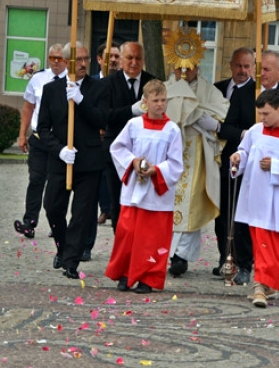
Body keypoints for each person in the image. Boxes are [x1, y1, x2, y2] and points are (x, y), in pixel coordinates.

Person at [229, 89, 279, 308]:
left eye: (266, 114)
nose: (262, 118)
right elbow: (244, 153)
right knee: (261, 242)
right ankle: (259, 286)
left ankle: (269, 285)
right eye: (260, 114)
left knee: (277, 246)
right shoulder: (255, 131)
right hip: (257, 197)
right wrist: (238, 158)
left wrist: (275, 165)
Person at [37, 43, 108, 280]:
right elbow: (43, 128)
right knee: (53, 207)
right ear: (66, 62)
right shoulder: (50, 90)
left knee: (82, 214)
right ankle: (63, 246)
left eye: (86, 59)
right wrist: (58, 150)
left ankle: (71, 261)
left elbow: (101, 120)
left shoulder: (98, 88)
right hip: (61, 160)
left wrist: (81, 100)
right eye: (78, 59)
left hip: (89, 161)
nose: (84, 64)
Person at [105, 79, 183, 293]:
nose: (160, 104)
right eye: (155, 100)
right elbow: (117, 148)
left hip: (157, 194)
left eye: (163, 100)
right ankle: (125, 274)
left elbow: (176, 163)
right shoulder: (134, 124)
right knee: (127, 234)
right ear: (145, 102)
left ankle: (148, 278)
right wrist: (134, 162)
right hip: (133, 191)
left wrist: (156, 170)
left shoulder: (172, 130)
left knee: (151, 238)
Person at [163, 33, 227, 278]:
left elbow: (220, 113)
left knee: (190, 205)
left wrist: (206, 122)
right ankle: (168, 254)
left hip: (197, 152)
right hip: (170, 153)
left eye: (189, 68)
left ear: (198, 65)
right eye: (180, 67)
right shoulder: (165, 89)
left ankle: (181, 257)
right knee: (169, 204)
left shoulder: (209, 91)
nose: (184, 71)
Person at [101, 41, 157, 232]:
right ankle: (121, 247)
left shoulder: (152, 82)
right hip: (118, 151)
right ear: (122, 59)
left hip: (146, 152)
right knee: (118, 201)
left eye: (138, 58)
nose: (134, 62)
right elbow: (104, 115)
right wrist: (130, 111)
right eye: (129, 58)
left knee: (143, 202)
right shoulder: (108, 83)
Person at [213, 48, 257, 283]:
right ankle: (224, 258)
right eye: (238, 66)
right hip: (217, 158)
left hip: (242, 161)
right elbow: (226, 127)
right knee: (222, 213)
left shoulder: (253, 92)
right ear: (231, 65)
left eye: (247, 66)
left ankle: (241, 260)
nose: (242, 71)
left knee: (240, 214)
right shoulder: (218, 88)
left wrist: (245, 136)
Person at [14, 44, 66, 239]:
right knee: (36, 180)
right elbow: (28, 107)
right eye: (52, 57)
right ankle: (30, 221)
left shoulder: (72, 81)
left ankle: (56, 222)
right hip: (38, 138)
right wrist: (22, 134)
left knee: (57, 184)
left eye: (59, 58)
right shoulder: (38, 79)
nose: (55, 61)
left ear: (66, 60)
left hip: (59, 140)